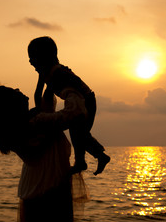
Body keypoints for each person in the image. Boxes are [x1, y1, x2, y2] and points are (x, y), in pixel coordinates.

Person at [0, 85, 88, 222]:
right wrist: (69, 89)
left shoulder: (24, 129)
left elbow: (43, 100)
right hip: (48, 192)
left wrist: (46, 80)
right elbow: (75, 113)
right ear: (12, 107)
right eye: (14, 91)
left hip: (39, 189)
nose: (19, 89)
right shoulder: (36, 124)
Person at [28, 36, 110, 175]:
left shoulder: (59, 73)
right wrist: (40, 110)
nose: (30, 62)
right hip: (78, 100)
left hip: (86, 101)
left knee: (80, 133)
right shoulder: (45, 73)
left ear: (45, 58)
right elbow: (39, 93)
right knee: (79, 133)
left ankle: (92, 158)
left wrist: (43, 115)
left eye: (33, 58)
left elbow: (71, 93)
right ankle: (85, 161)